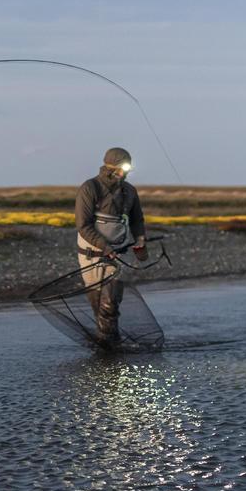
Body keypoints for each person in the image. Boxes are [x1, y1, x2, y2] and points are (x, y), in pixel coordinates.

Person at [75, 147, 148, 347]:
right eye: (122, 168)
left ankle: (110, 347)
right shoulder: (89, 188)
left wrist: (140, 238)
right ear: (110, 167)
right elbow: (83, 226)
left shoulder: (130, 191)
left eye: (128, 168)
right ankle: (107, 344)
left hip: (119, 254)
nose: (124, 173)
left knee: (111, 304)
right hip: (91, 256)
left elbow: (137, 219)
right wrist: (106, 248)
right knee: (98, 305)